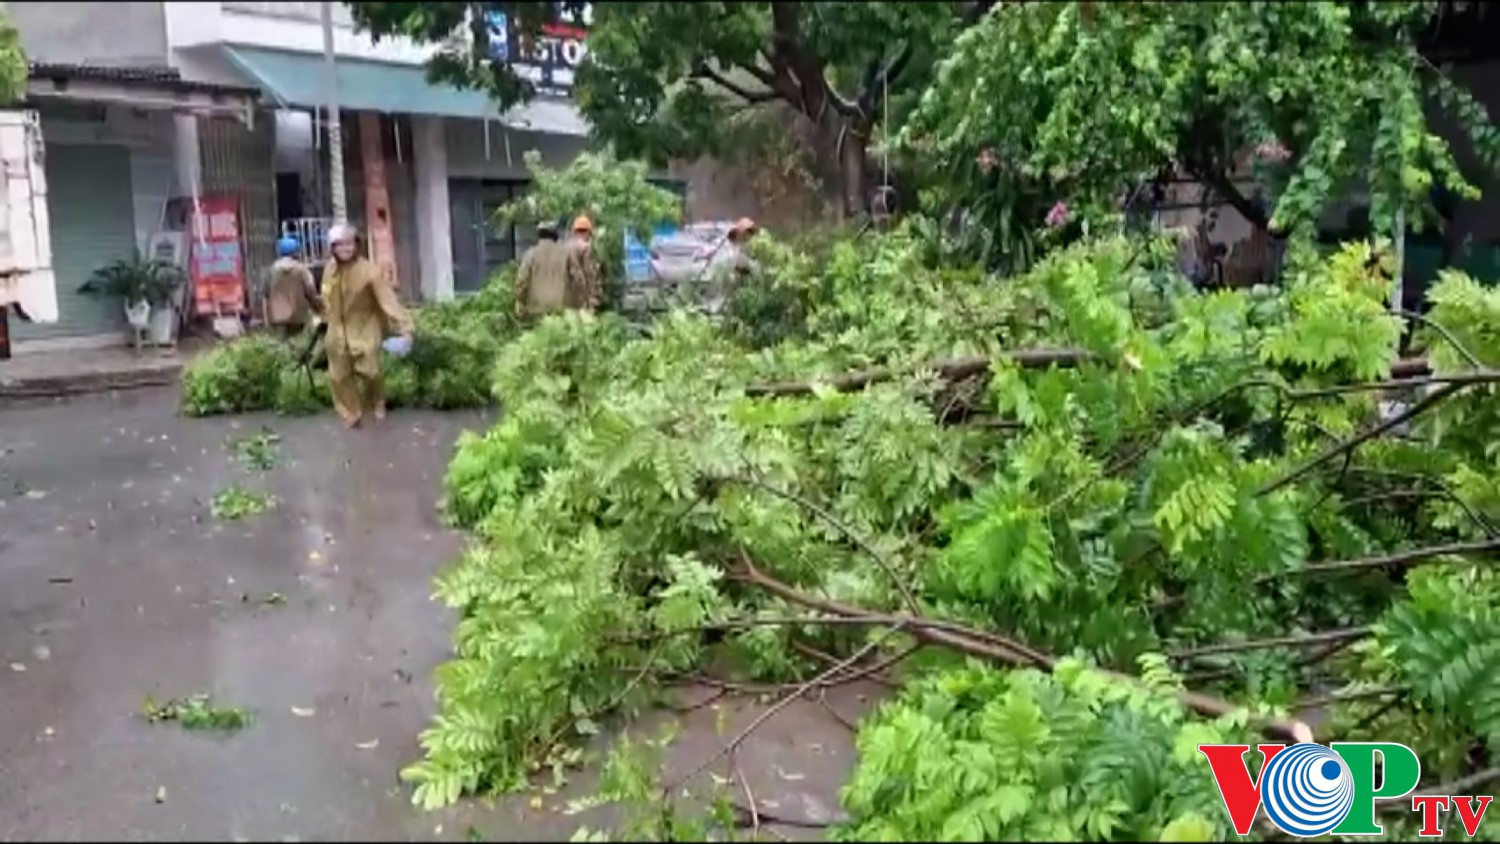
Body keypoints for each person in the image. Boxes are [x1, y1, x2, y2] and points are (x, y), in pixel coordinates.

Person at [321, 223, 413, 428]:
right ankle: (351, 413)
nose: (346, 249)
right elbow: (326, 296)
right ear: (332, 248)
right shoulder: (330, 269)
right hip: (337, 328)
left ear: (357, 245)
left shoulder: (369, 271)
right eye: (340, 245)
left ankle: (378, 401)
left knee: (369, 370)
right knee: (338, 376)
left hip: (364, 324)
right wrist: (321, 318)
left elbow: (388, 300)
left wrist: (405, 327)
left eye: (350, 244)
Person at [512, 220, 573, 320]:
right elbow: (575, 279)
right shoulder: (566, 254)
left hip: (536, 309)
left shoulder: (530, 254)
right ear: (555, 235)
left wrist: (520, 302)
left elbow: (522, 282)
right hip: (561, 308)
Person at [266, 235, 321, 339]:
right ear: (296, 251)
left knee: (279, 345)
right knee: (296, 343)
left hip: (276, 317)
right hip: (298, 316)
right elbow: (310, 291)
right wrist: (318, 307)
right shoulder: (302, 270)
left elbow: (266, 293)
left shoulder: (272, 270)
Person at [704, 217, 760, 314]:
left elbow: (748, 265)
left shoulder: (740, 249)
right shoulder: (725, 246)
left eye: (750, 234)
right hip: (714, 285)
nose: (748, 237)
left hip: (723, 291)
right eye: (747, 233)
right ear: (739, 233)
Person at [564, 215, 604, 313]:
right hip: (582, 298)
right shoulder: (586, 248)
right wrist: (594, 299)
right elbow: (591, 274)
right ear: (588, 232)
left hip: (566, 298)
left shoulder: (563, 247)